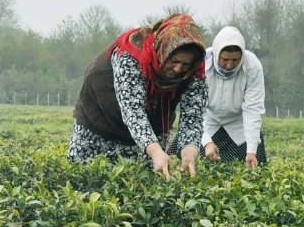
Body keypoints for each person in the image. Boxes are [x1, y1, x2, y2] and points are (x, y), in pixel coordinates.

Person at [69, 13, 208, 179]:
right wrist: (155, 151)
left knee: (146, 181)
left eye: (185, 64)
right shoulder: (130, 55)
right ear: (163, 50)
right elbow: (133, 112)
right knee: (88, 178)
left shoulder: (195, 71)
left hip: (153, 122)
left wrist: (189, 151)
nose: (178, 69)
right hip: (100, 119)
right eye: (174, 61)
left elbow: (193, 116)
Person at [201, 26, 267, 169]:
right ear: (217, 53)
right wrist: (206, 142)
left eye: (235, 60)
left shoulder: (252, 65)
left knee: (254, 171)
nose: (229, 65)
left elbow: (253, 108)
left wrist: (251, 151)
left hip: (240, 124)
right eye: (225, 59)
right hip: (208, 122)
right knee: (198, 166)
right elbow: (194, 109)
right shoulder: (201, 64)